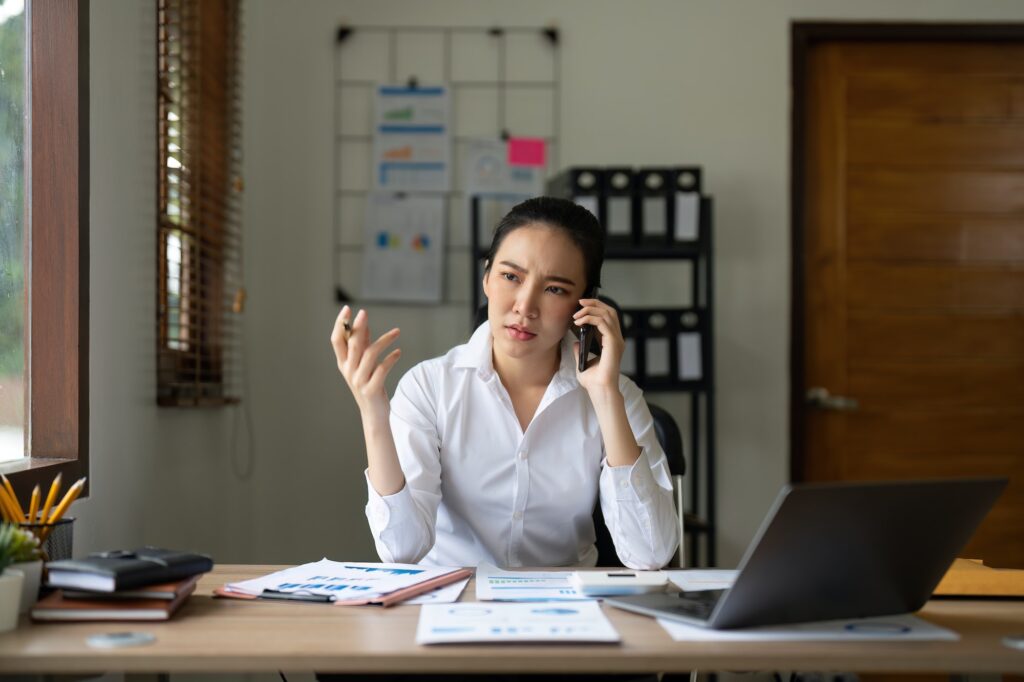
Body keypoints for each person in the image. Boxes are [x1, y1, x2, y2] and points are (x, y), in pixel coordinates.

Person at [330, 196, 679, 570]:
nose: (524, 307)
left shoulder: (617, 395)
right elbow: (401, 551)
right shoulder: (430, 387)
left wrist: (606, 396)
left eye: (555, 289)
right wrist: (373, 413)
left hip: (564, 610)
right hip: (451, 605)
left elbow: (650, 555)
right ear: (486, 278)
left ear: (586, 304)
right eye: (510, 277)